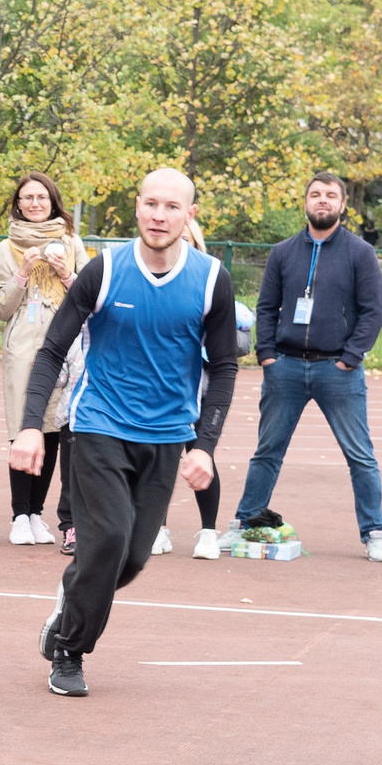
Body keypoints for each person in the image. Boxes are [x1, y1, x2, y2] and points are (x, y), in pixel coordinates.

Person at [11, 168, 237, 698]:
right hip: (98, 427)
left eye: (172, 207)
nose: (159, 216)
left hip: (166, 437)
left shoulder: (211, 279)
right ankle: (69, 650)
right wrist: (30, 427)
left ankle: (72, 597)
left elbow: (225, 365)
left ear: (189, 215)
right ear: (137, 207)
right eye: (151, 204)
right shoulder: (106, 269)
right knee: (108, 538)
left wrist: (205, 445)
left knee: (132, 558)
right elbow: (52, 350)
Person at [233, 170, 382, 562]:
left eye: (331, 195)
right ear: (305, 202)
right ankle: (244, 523)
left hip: (337, 372)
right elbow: (266, 307)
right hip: (285, 368)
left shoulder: (360, 253)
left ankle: (374, 532)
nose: (323, 200)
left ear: (342, 204)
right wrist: (266, 355)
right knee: (267, 452)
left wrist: (350, 358)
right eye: (316, 194)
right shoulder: (283, 252)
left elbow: (373, 312)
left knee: (360, 456)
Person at [0, 172, 87, 547]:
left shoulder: (72, 242)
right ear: (18, 204)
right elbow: (1, 308)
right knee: (24, 427)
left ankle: (36, 514)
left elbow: (90, 296)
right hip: (23, 347)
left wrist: (65, 272)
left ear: (53, 202)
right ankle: (19, 515)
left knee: (51, 429)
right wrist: (22, 273)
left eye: (41, 197)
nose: (35, 203)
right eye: (27, 198)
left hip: (64, 346)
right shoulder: (6, 248)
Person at [146, 217, 234, 561]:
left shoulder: (209, 282)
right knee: (159, 459)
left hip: (198, 385)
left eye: (186, 239)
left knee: (201, 454)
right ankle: (159, 527)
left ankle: (209, 531)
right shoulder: (148, 280)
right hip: (157, 385)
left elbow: (228, 343)